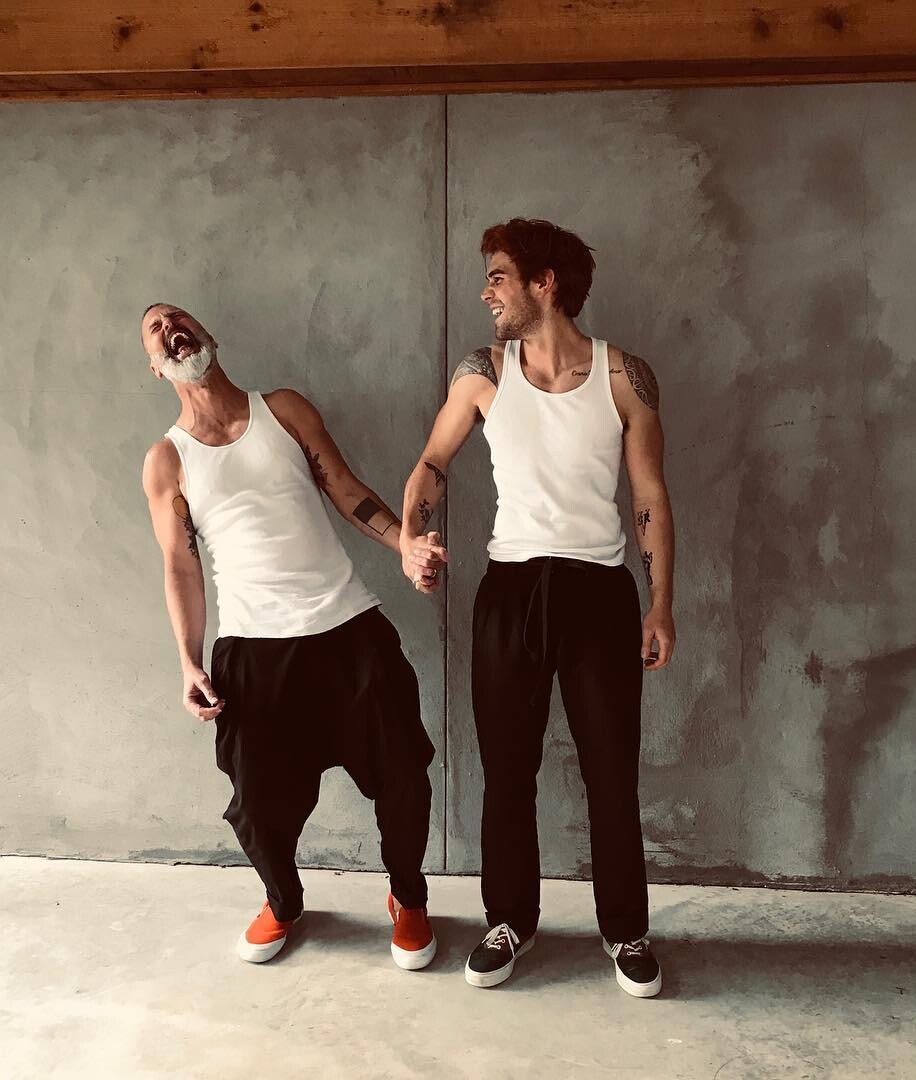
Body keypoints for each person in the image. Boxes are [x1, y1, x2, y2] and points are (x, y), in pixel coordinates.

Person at [399, 219, 676, 998]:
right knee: (507, 772)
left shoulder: (625, 377)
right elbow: (431, 463)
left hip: (599, 592)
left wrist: (661, 605)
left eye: (498, 276)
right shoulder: (483, 372)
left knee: (611, 774)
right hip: (511, 591)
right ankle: (509, 921)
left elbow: (650, 497)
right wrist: (411, 538)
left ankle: (626, 930)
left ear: (544, 283)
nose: (486, 292)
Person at [139, 302, 444, 969]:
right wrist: (189, 662)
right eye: (155, 330)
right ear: (156, 368)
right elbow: (181, 567)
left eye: (177, 318)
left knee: (403, 776)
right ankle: (284, 902)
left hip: (350, 629)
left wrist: (405, 545)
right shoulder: (168, 460)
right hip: (253, 650)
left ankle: (408, 896)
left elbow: (346, 490)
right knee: (257, 807)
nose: (170, 329)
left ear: (209, 336)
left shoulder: (283, 410)